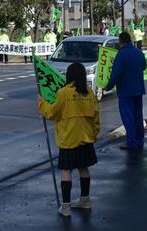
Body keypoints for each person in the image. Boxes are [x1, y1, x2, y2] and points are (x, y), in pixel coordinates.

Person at [37, 62, 100, 216]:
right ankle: (85, 200)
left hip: (68, 138)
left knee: (66, 170)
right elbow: (96, 117)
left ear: (69, 75)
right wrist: (94, 133)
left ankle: (65, 206)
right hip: (86, 137)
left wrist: (41, 103)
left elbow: (52, 113)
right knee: (83, 168)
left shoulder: (63, 93)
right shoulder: (89, 93)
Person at [104, 31, 147, 149]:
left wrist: (107, 87)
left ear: (120, 41)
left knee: (128, 117)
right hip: (138, 89)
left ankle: (131, 141)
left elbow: (115, 74)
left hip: (125, 91)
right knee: (138, 115)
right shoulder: (138, 52)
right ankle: (139, 140)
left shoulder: (121, 55)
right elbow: (144, 66)